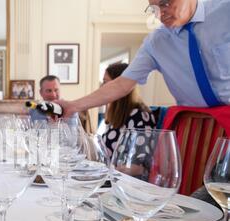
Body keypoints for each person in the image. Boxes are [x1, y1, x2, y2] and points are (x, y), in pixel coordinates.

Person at [58, 0, 230, 117]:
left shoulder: (224, 10)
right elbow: (121, 84)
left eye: (165, 3)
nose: (160, 14)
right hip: (194, 122)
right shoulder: (156, 42)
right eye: (154, 8)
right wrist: (74, 105)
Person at [101, 62, 156, 157]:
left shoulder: (139, 115)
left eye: (106, 82)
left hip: (121, 172)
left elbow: (138, 164)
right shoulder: (118, 114)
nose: (102, 87)